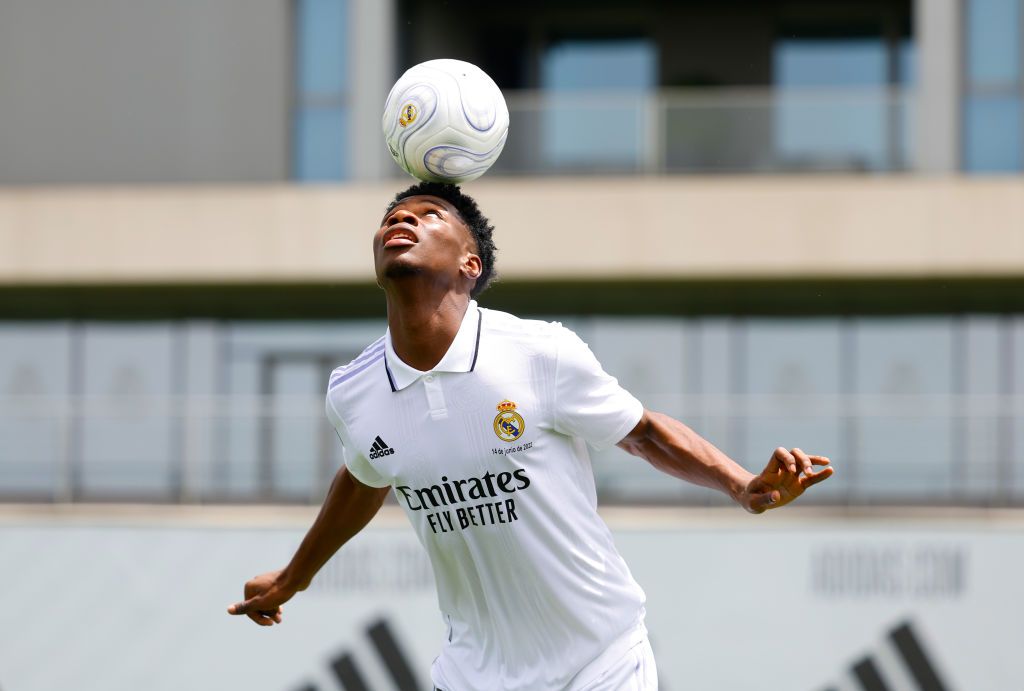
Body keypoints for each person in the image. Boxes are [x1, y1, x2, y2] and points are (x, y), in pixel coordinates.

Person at [227, 181, 834, 690]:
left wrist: (741, 485)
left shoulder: (539, 352)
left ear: (472, 264)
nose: (401, 221)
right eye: (393, 217)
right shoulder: (353, 391)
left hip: (599, 662)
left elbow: (641, 432)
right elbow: (363, 479)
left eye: (428, 215)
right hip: (473, 674)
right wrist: (292, 577)